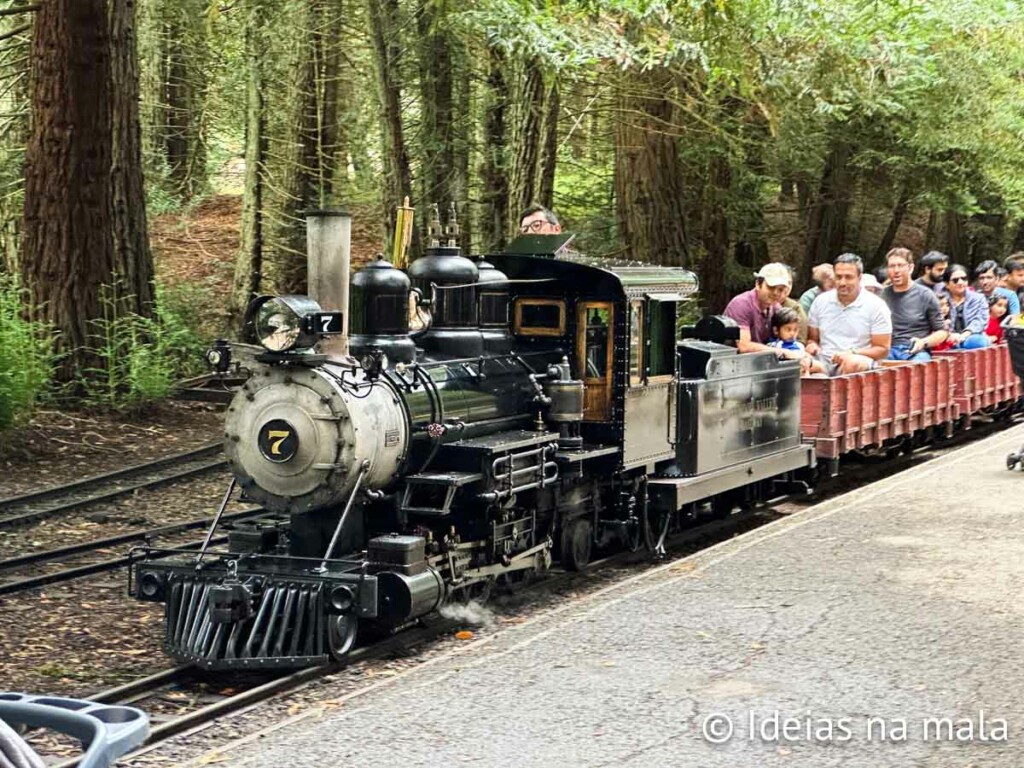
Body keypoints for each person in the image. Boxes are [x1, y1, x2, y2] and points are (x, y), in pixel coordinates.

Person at [806, 253, 892, 375]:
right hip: (824, 359)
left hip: (858, 360)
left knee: (853, 363)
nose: (842, 282)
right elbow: (812, 339)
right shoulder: (820, 301)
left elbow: (882, 349)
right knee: (800, 361)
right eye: (838, 277)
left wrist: (852, 353)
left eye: (848, 277)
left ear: (859, 278)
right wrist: (812, 346)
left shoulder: (876, 306)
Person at [880, 247, 947, 361]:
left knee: (917, 367)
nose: (896, 270)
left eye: (900, 265)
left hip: (915, 351)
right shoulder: (882, 295)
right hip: (888, 350)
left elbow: (942, 332)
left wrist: (923, 342)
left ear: (910, 268)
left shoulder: (926, 295)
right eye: (892, 266)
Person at [722, 263, 792, 352]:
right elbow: (744, 346)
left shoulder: (776, 308)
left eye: (781, 289)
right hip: (733, 361)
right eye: (771, 287)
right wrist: (782, 352)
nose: (776, 293)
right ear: (758, 284)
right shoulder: (742, 304)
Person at [768, 307, 826, 374]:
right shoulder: (773, 346)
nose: (792, 333)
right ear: (776, 330)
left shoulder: (799, 346)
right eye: (788, 329)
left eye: (795, 330)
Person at [944, 263, 990, 349]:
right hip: (948, 339)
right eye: (955, 280)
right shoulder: (941, 300)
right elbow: (937, 322)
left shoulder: (978, 298)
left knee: (978, 341)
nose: (960, 282)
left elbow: (980, 321)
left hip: (971, 337)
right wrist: (951, 335)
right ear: (947, 284)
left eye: (964, 279)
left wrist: (964, 335)